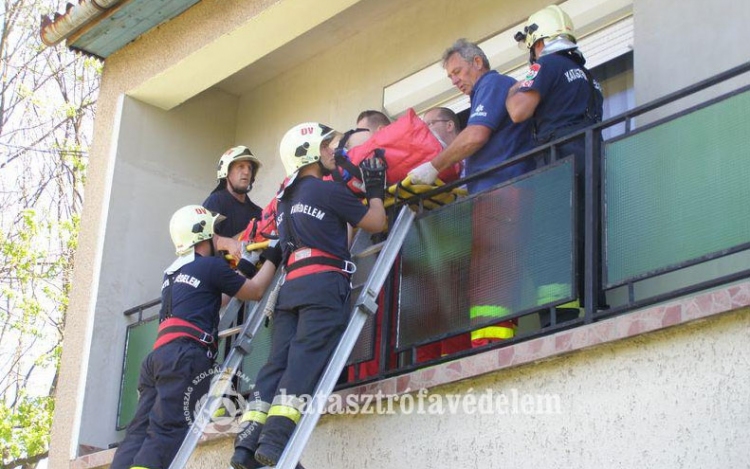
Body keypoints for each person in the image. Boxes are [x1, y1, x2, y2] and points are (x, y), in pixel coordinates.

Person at [230, 122, 387, 469]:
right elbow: (376, 222)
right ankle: (275, 440)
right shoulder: (326, 190)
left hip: (291, 290)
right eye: (328, 146)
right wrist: (375, 189)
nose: (334, 152)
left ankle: (246, 444)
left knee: (277, 365)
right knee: (304, 362)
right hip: (323, 285)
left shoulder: (285, 199)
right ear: (311, 153)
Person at [110, 205, 282, 469]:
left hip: (157, 359)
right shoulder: (211, 266)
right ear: (202, 235)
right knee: (167, 429)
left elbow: (216, 300)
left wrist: (245, 267)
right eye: (214, 234)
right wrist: (273, 255)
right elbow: (257, 292)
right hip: (184, 357)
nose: (217, 239)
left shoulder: (173, 272)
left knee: (139, 430)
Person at [409, 39, 535, 348]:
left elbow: (476, 134)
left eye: (458, 72)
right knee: (491, 272)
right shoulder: (488, 89)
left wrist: (433, 167)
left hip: (501, 191)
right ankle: (489, 339)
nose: (455, 81)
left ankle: (490, 344)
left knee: (493, 273)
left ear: (477, 62)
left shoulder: (491, 83)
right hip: (498, 191)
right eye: (450, 77)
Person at [506, 4, 604, 324]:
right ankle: (591, 305)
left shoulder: (545, 65)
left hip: (557, 160)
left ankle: (557, 315)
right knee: (585, 231)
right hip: (590, 157)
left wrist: (512, 92)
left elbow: (519, 112)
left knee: (549, 237)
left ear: (538, 41)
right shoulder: (588, 77)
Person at [203, 146, 263, 261]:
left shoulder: (258, 213)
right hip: (219, 273)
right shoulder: (215, 201)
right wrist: (228, 243)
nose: (246, 172)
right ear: (226, 171)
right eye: (241, 167)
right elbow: (201, 238)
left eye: (250, 168)